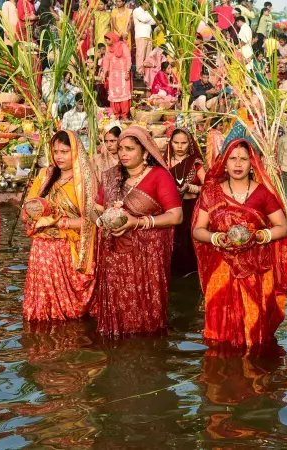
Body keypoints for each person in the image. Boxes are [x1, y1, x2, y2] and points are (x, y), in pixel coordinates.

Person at [192, 138, 287, 351]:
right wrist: (217, 238)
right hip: (221, 269)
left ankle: (254, 367)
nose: (238, 164)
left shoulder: (263, 193)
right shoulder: (211, 193)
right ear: (224, 164)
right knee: (221, 329)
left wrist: (258, 237)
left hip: (254, 269)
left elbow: (282, 227)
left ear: (252, 163)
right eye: (233, 159)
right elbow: (198, 230)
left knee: (253, 326)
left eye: (243, 159)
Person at [91, 126, 183, 336]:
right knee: (117, 306)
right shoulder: (111, 175)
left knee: (144, 311)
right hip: (114, 254)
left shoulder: (159, 176)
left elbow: (176, 216)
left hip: (147, 257)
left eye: (130, 149)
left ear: (145, 152)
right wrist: (102, 222)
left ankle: (146, 344)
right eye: (121, 148)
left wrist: (138, 223)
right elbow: (93, 210)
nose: (123, 153)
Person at [22, 131, 97, 321]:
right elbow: (28, 208)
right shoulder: (45, 176)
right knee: (41, 314)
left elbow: (93, 221)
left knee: (70, 317)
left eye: (65, 151)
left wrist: (60, 222)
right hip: (42, 250)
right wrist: (34, 216)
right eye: (55, 151)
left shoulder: (87, 182)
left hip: (68, 250)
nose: (59, 156)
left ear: (76, 152)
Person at [166, 128, 205, 277]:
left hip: (192, 210)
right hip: (170, 209)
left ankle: (192, 273)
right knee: (173, 240)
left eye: (184, 143)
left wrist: (191, 188)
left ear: (190, 144)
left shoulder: (195, 163)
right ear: (171, 143)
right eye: (176, 143)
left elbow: (209, 188)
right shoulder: (165, 163)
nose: (180, 147)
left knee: (189, 241)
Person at [102, 32, 132, 119]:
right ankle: (116, 114)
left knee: (124, 93)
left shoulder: (122, 46)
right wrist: (105, 73)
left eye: (108, 39)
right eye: (106, 40)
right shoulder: (108, 49)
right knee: (114, 94)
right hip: (113, 76)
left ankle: (124, 114)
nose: (107, 42)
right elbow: (106, 61)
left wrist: (127, 72)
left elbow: (128, 58)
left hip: (123, 74)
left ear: (113, 38)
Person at [132, 0, 155, 77]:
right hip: (140, 35)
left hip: (148, 36)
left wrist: (147, 20)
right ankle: (139, 72)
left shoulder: (147, 12)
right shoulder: (136, 10)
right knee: (140, 55)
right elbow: (144, 19)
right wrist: (148, 20)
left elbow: (154, 22)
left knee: (148, 56)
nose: (149, 5)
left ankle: (146, 73)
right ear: (145, 3)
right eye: (148, 3)